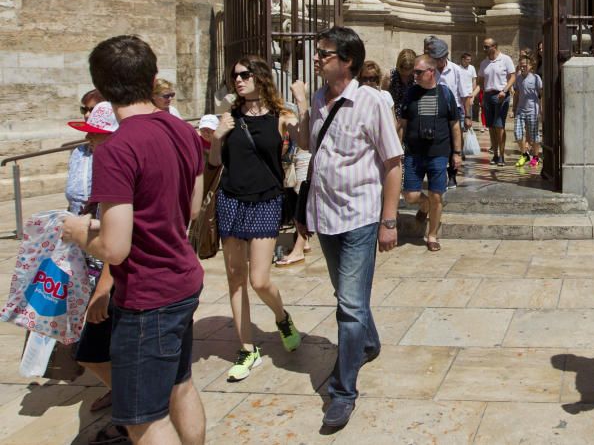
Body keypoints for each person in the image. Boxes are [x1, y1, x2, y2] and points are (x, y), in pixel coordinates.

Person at [62, 35, 206, 445]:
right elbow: (190, 209)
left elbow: (114, 247)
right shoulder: (182, 130)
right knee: (181, 385)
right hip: (183, 278)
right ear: (151, 77)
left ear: (103, 89)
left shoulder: (117, 148)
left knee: (144, 419)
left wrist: (78, 231)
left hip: (148, 295)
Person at [289, 26, 403, 430]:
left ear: (348, 61)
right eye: (318, 52)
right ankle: (368, 342)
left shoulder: (371, 102)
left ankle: (342, 391)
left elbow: (392, 164)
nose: (317, 57)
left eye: (325, 53)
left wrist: (389, 221)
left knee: (349, 306)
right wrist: (303, 105)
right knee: (345, 294)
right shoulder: (320, 99)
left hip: (360, 216)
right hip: (326, 215)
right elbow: (306, 144)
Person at [209, 55, 302, 382]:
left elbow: (303, 143)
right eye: (235, 75)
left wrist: (300, 108)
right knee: (235, 277)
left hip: (266, 200)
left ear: (260, 77)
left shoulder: (281, 116)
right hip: (231, 200)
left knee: (259, 279)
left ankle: (282, 317)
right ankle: (247, 349)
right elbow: (214, 161)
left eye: (244, 74)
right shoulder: (229, 115)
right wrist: (218, 136)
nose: (238, 80)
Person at [66, 100, 127, 443]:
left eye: (97, 135)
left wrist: (103, 290)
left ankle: (127, 412)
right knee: (93, 349)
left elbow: (115, 243)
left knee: (92, 349)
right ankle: (125, 402)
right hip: (90, 264)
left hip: (111, 272)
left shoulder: (115, 166)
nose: (91, 140)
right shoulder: (87, 157)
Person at [400, 54, 463, 251]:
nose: (414, 75)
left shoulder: (445, 94)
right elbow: (402, 124)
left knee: (437, 195)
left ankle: (432, 235)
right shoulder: (410, 94)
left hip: (438, 153)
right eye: (413, 72)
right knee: (410, 195)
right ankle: (424, 206)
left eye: (418, 72)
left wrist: (457, 153)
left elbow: (454, 125)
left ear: (431, 72)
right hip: (414, 153)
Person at [426, 37, 471, 188]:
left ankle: (452, 174)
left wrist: (468, 116)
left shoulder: (456, 70)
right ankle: (437, 173)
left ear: (445, 56)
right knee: (435, 143)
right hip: (433, 110)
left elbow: (465, 95)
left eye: (440, 58)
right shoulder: (428, 70)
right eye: (435, 58)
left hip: (454, 111)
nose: (437, 61)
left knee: (453, 144)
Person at [65, 89, 105, 216]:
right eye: (84, 110)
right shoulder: (79, 151)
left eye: (92, 110)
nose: (87, 115)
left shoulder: (117, 153)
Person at [478, 38, 516, 165]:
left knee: (499, 126)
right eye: (484, 47)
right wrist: (483, 94)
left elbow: (513, 76)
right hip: (488, 95)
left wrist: (504, 90)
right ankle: (494, 154)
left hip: (501, 95)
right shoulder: (484, 63)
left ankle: (502, 155)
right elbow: (480, 80)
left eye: (486, 47)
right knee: (491, 127)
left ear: (494, 46)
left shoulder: (505, 59)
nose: (484, 49)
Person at [513, 56, 543, 168]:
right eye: (521, 65)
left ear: (530, 66)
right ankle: (524, 154)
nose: (522, 67)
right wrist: (513, 109)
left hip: (532, 110)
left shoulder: (536, 78)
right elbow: (516, 94)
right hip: (521, 110)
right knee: (517, 134)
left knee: (534, 136)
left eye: (524, 65)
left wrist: (541, 108)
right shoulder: (518, 78)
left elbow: (541, 94)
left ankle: (535, 157)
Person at [386, 48, 417, 121]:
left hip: (412, 118)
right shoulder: (390, 76)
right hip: (394, 118)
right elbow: (384, 98)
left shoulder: (417, 76)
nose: (406, 72)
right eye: (404, 68)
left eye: (409, 68)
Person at [459, 51, 478, 130]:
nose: (469, 61)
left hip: (469, 93)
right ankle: (461, 126)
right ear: (463, 59)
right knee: (461, 110)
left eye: (470, 59)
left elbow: (474, 80)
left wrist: (473, 93)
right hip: (460, 93)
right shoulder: (457, 68)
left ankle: (468, 127)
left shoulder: (472, 68)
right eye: (468, 59)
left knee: (469, 111)